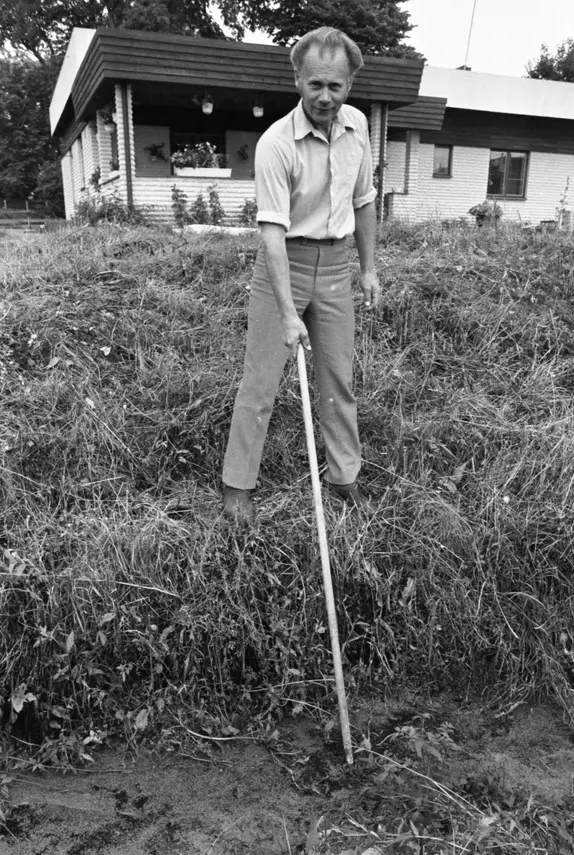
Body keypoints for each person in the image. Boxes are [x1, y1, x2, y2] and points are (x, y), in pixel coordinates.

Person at [222, 26, 381, 522]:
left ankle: (344, 477)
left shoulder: (357, 128)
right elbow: (270, 233)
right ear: (297, 79)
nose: (325, 97)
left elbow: (364, 202)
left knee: (338, 378)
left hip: (335, 267)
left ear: (350, 84)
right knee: (261, 381)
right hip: (282, 266)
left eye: (335, 86)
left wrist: (369, 268)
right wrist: (289, 313)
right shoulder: (276, 143)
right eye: (315, 85)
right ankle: (237, 486)